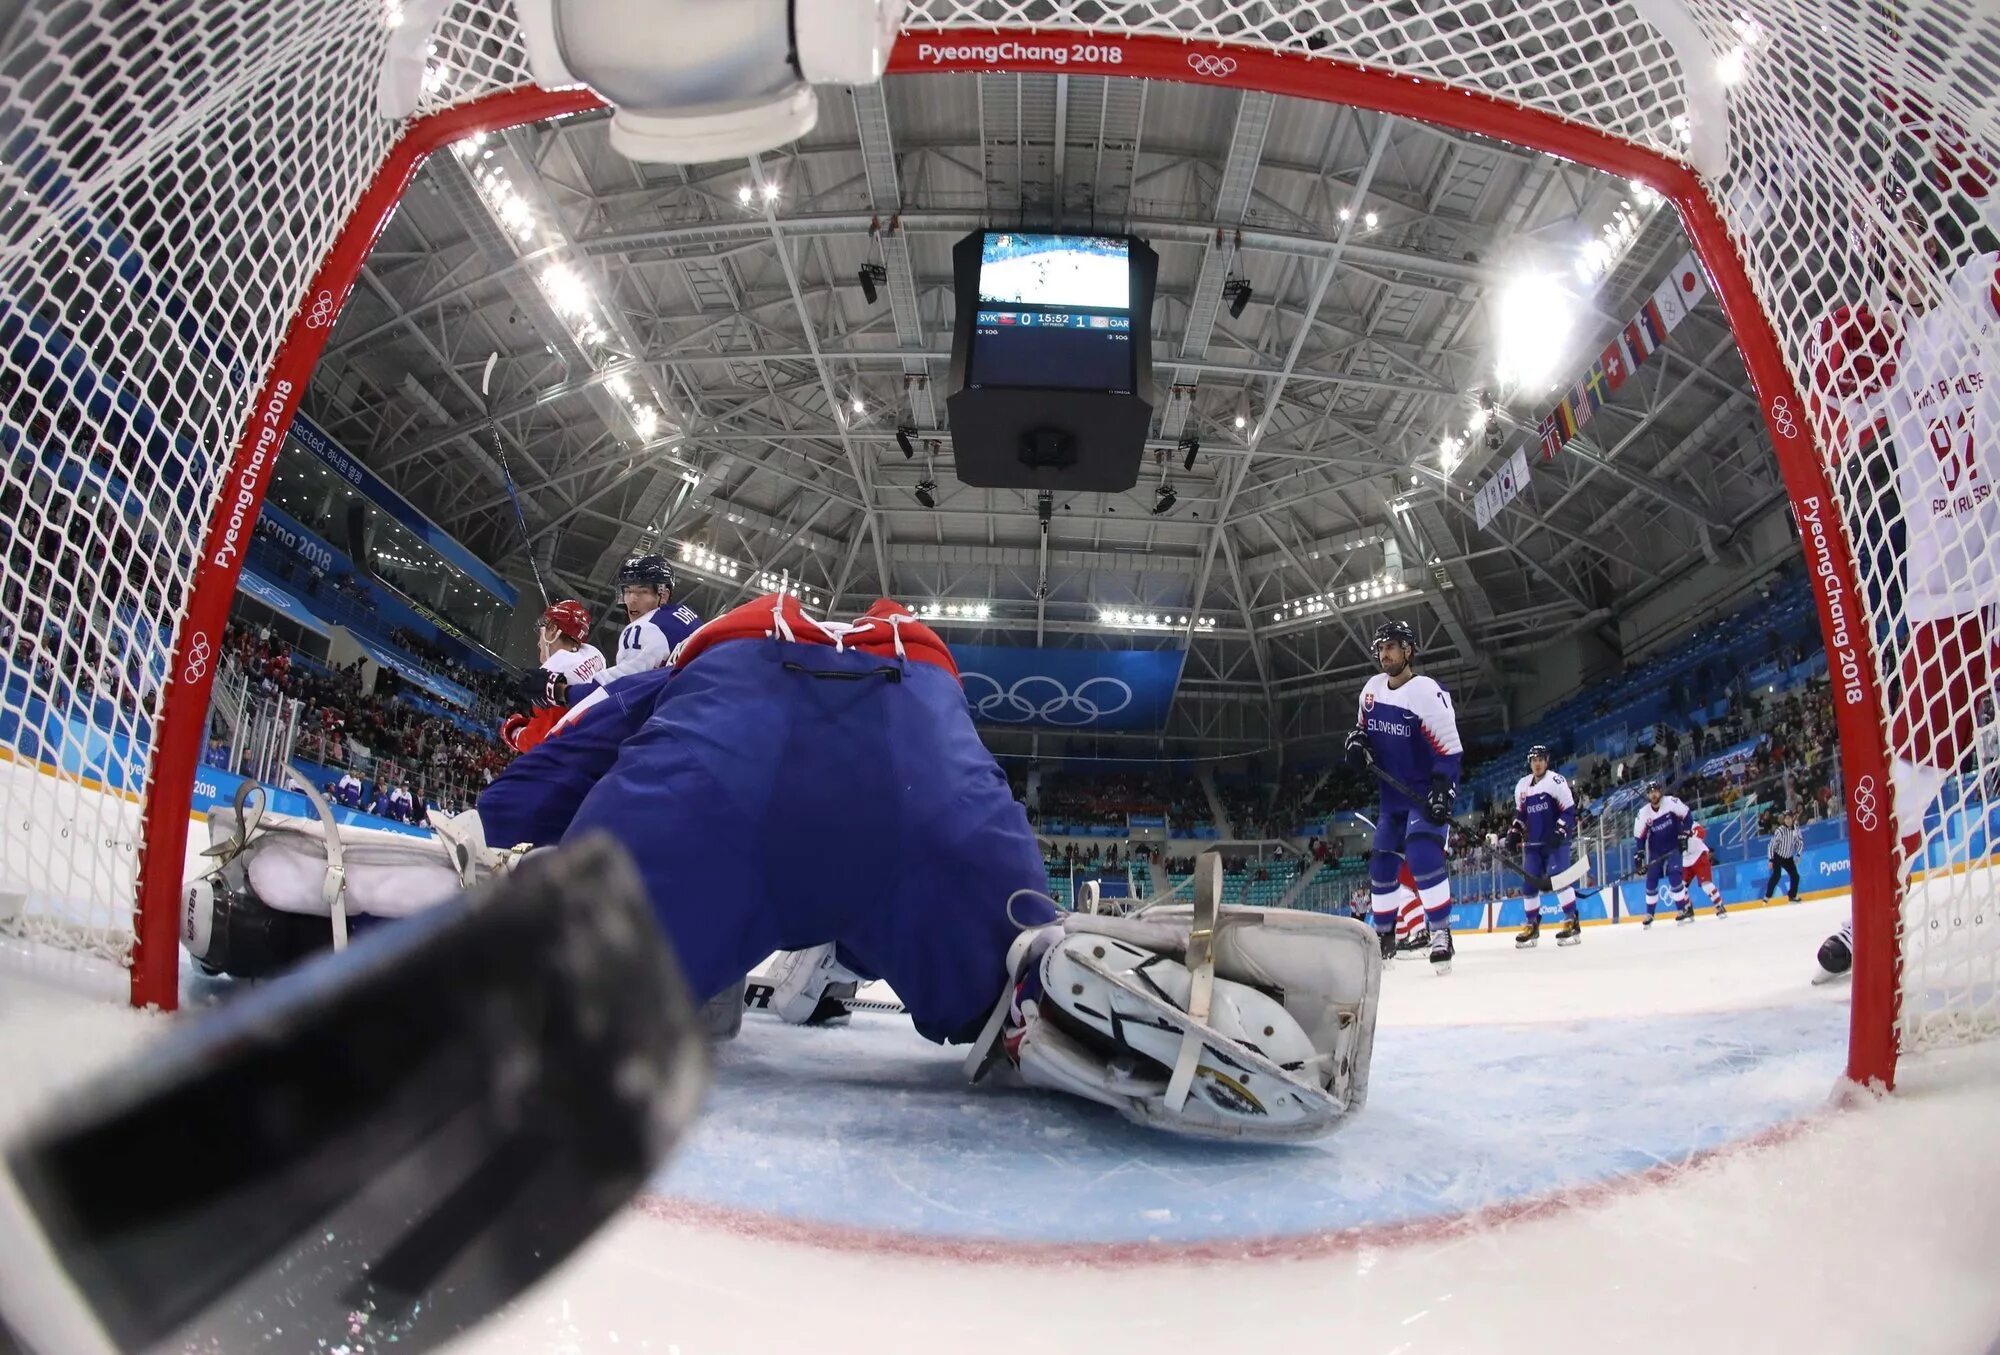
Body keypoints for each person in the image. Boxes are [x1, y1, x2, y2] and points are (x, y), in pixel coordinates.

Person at [444, 594, 1382, 1140]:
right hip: (919, 762)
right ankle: (1058, 991)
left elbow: (564, 757)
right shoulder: (940, 685)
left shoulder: (682, 659)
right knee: (1013, 971)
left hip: (716, 770)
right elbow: (981, 794)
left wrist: (484, 833)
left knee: (573, 968)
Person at [1343, 619, 1463, 974]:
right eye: (1381, 648)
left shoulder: (1427, 692)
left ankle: (1441, 932)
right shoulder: (1371, 691)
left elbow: (1449, 751)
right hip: (1392, 797)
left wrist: (1444, 791)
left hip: (1425, 794)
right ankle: (1384, 939)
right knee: (1381, 866)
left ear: (1408, 650)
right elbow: (1362, 732)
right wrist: (1356, 744)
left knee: (1423, 855)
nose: (1385, 654)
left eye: (1392, 646)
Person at [529, 554, 700, 708]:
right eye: (628, 591)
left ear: (663, 595)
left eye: (642, 592)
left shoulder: (644, 628)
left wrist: (559, 691)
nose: (632, 600)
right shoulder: (688, 616)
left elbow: (614, 693)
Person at [504, 599, 609, 753]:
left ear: (552, 629)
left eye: (542, 629)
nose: (539, 641)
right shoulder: (593, 654)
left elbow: (537, 742)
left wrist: (513, 731)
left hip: (573, 758)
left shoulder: (553, 674)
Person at [1510, 745, 1582, 949]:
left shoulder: (1556, 781)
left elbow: (1569, 811)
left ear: (1547, 760)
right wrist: (1514, 832)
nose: (1538, 763)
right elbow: (1521, 815)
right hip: (1534, 844)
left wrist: (1559, 831)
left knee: (1559, 878)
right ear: (1530, 762)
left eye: (1541, 759)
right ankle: (1532, 924)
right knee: (1529, 884)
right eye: (1534, 760)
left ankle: (1572, 921)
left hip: (1556, 842)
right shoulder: (1522, 785)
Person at [1632, 781, 1693, 926]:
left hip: (1674, 847)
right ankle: (1649, 914)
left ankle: (1681, 909)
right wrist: (1639, 854)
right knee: (1651, 879)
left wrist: (1684, 833)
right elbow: (1639, 837)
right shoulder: (1643, 813)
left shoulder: (1672, 803)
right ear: (1648, 795)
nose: (1653, 794)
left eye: (1656, 791)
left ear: (1660, 791)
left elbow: (1687, 816)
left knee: (1674, 875)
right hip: (1656, 851)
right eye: (1650, 792)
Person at [1682, 820, 1728, 917]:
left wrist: (1691, 834)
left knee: (1706, 885)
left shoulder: (1687, 821)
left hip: (1699, 855)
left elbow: (1702, 832)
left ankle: (1719, 906)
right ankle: (1688, 909)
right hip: (1685, 860)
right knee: (1680, 887)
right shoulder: (1670, 829)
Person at [1765, 810, 1804, 904]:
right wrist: (1771, 859)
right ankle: (1767, 896)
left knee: (1795, 876)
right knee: (1776, 875)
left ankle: (1792, 897)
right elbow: (1771, 845)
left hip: (1789, 857)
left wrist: (1798, 855)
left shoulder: (1796, 829)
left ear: (1792, 818)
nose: (1788, 820)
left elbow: (1800, 842)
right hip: (1778, 856)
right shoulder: (1780, 830)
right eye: (1786, 818)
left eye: (1789, 818)